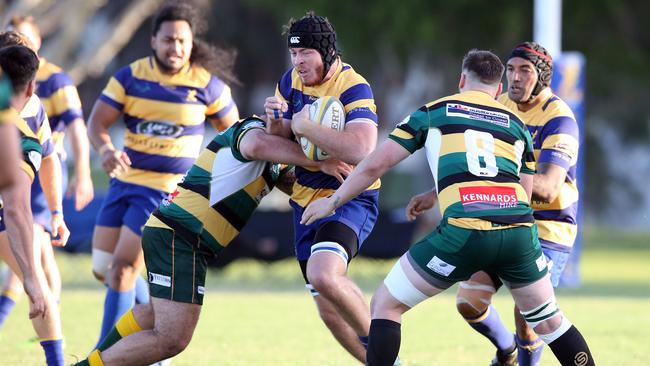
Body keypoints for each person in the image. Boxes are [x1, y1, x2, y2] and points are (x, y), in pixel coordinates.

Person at [301, 49, 595, 366]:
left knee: (386, 305)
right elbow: (522, 193)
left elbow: (375, 164)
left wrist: (332, 201)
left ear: (461, 81)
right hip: (519, 234)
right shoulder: (515, 124)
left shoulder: (433, 112)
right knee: (550, 322)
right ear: (499, 89)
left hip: (464, 232)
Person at [72, 116, 352, 365]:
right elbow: (255, 147)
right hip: (179, 235)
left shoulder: (276, 163)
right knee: (173, 338)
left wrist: (336, 176)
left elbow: (296, 185)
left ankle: (90, 361)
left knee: (153, 315)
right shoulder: (251, 128)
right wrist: (319, 161)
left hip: (179, 236)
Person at [87, 2, 239, 346]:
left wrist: (216, 180)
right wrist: (107, 151)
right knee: (104, 267)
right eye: (169, 40)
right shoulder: (130, 76)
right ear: (154, 40)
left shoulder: (206, 86)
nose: (176, 48)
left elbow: (236, 135)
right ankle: (157, 332)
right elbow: (97, 123)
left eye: (183, 41)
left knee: (123, 268)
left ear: (191, 43)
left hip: (166, 192)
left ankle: (105, 351)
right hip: (123, 183)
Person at [263, 12, 383, 363]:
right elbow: (280, 139)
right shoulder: (289, 81)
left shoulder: (353, 86)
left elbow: (362, 148)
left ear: (327, 52)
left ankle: (385, 356)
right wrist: (274, 122)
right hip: (303, 201)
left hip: (349, 197)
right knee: (329, 312)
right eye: (293, 54)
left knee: (324, 274)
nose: (298, 62)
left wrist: (304, 125)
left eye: (306, 54)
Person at [453, 42, 581, 366]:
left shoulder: (560, 118)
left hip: (548, 226)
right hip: (505, 219)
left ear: (542, 76)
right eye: (510, 69)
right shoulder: (499, 107)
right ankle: (506, 351)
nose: (515, 77)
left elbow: (550, 188)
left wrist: (497, 183)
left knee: (530, 314)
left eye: (525, 70)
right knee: (469, 302)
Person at [0, 14, 90, 328]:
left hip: (38, 171)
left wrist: (82, 175)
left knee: (35, 253)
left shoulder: (55, 82)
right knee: (29, 257)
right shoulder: (8, 93)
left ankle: (50, 318)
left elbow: (75, 129)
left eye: (26, 39)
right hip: (22, 169)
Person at [0, 45, 66, 366]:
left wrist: (56, 212)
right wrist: (29, 277)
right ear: (31, 85)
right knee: (39, 281)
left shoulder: (31, 116)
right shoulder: (19, 136)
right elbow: (17, 210)